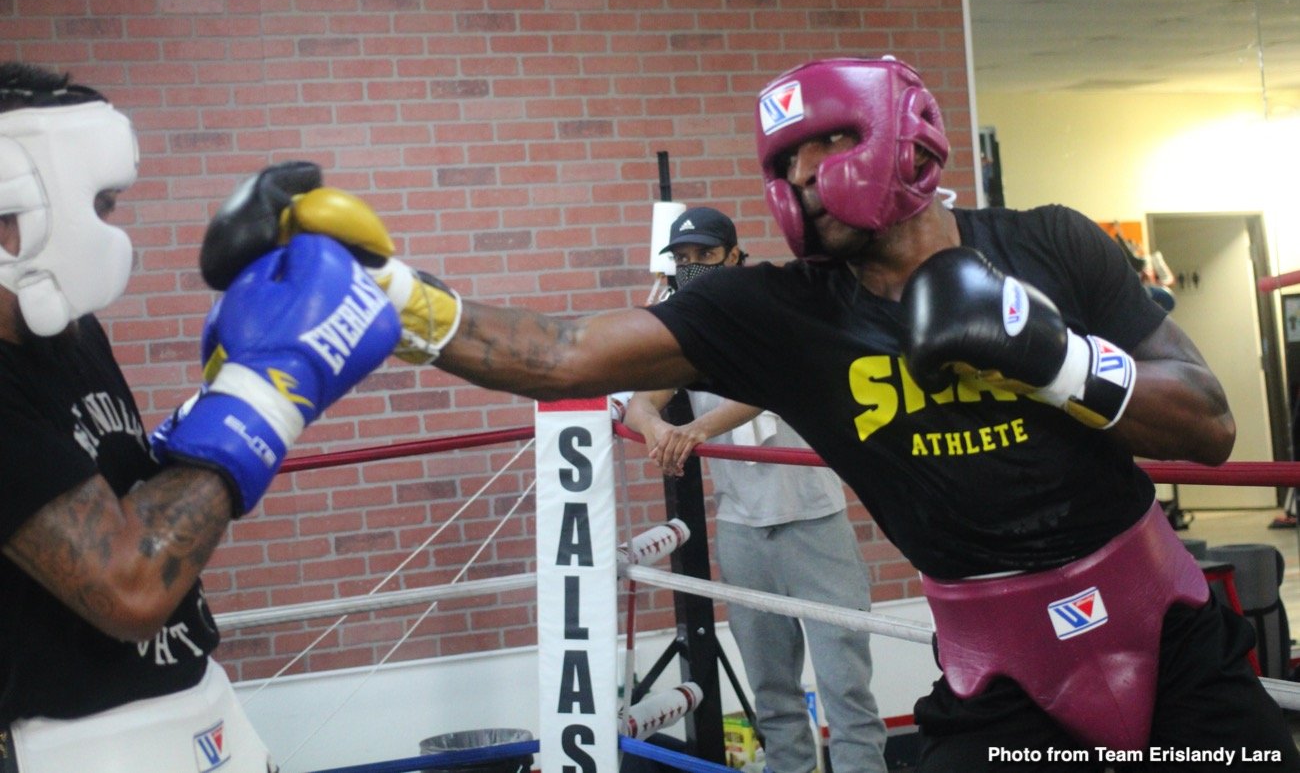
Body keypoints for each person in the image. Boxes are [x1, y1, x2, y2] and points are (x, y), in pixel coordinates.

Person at [219, 56, 1300, 771]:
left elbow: (1204, 423)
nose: (798, 180)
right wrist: (390, 292)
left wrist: (1052, 357)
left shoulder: (1052, 246)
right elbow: (557, 352)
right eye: (779, 163)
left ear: (901, 140)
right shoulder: (778, 310)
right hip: (1000, 673)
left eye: (820, 149)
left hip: (1171, 639)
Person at [0, 63, 400, 772]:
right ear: (17, 211)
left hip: (195, 713)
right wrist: (267, 392)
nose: (113, 227)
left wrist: (219, 398)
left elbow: (106, 490)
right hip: (69, 747)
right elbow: (128, 584)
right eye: (101, 204)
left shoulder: (68, 333)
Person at [623, 206, 888, 773]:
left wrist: (696, 429)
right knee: (772, 697)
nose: (694, 267)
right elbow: (640, 400)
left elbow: (777, 382)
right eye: (684, 259)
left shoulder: (769, 306)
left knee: (846, 691)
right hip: (743, 529)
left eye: (707, 256)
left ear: (736, 256)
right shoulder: (684, 331)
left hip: (813, 521)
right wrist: (658, 429)